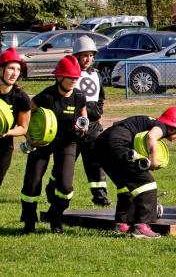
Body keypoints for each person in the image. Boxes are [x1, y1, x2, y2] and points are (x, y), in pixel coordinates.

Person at [20, 55, 88, 234]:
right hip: (42, 143)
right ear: (59, 77)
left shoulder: (79, 96)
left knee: (65, 187)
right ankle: (29, 222)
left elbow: (83, 113)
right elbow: (26, 115)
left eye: (76, 77)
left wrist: (84, 125)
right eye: (70, 77)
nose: (73, 81)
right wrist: (30, 138)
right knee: (32, 183)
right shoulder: (46, 96)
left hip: (67, 143)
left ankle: (55, 215)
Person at [95, 106, 176, 238]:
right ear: (172, 127)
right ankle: (141, 226)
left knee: (125, 185)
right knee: (147, 183)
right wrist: (153, 160)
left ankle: (122, 223)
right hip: (118, 143)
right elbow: (151, 136)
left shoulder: (148, 123)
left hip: (100, 145)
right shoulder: (161, 126)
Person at [72, 36, 110, 206]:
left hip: (93, 126)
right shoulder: (69, 74)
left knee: (96, 162)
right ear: (77, 56)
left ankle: (100, 197)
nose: (88, 59)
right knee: (66, 163)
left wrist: (98, 110)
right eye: (85, 55)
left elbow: (100, 96)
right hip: (73, 127)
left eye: (91, 55)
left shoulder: (96, 74)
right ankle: (55, 191)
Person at [0, 48, 31, 186]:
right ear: (1, 69)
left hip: (3, 147)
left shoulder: (21, 98)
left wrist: (6, 132)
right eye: (11, 68)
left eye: (18, 69)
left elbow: (23, 128)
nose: (15, 73)